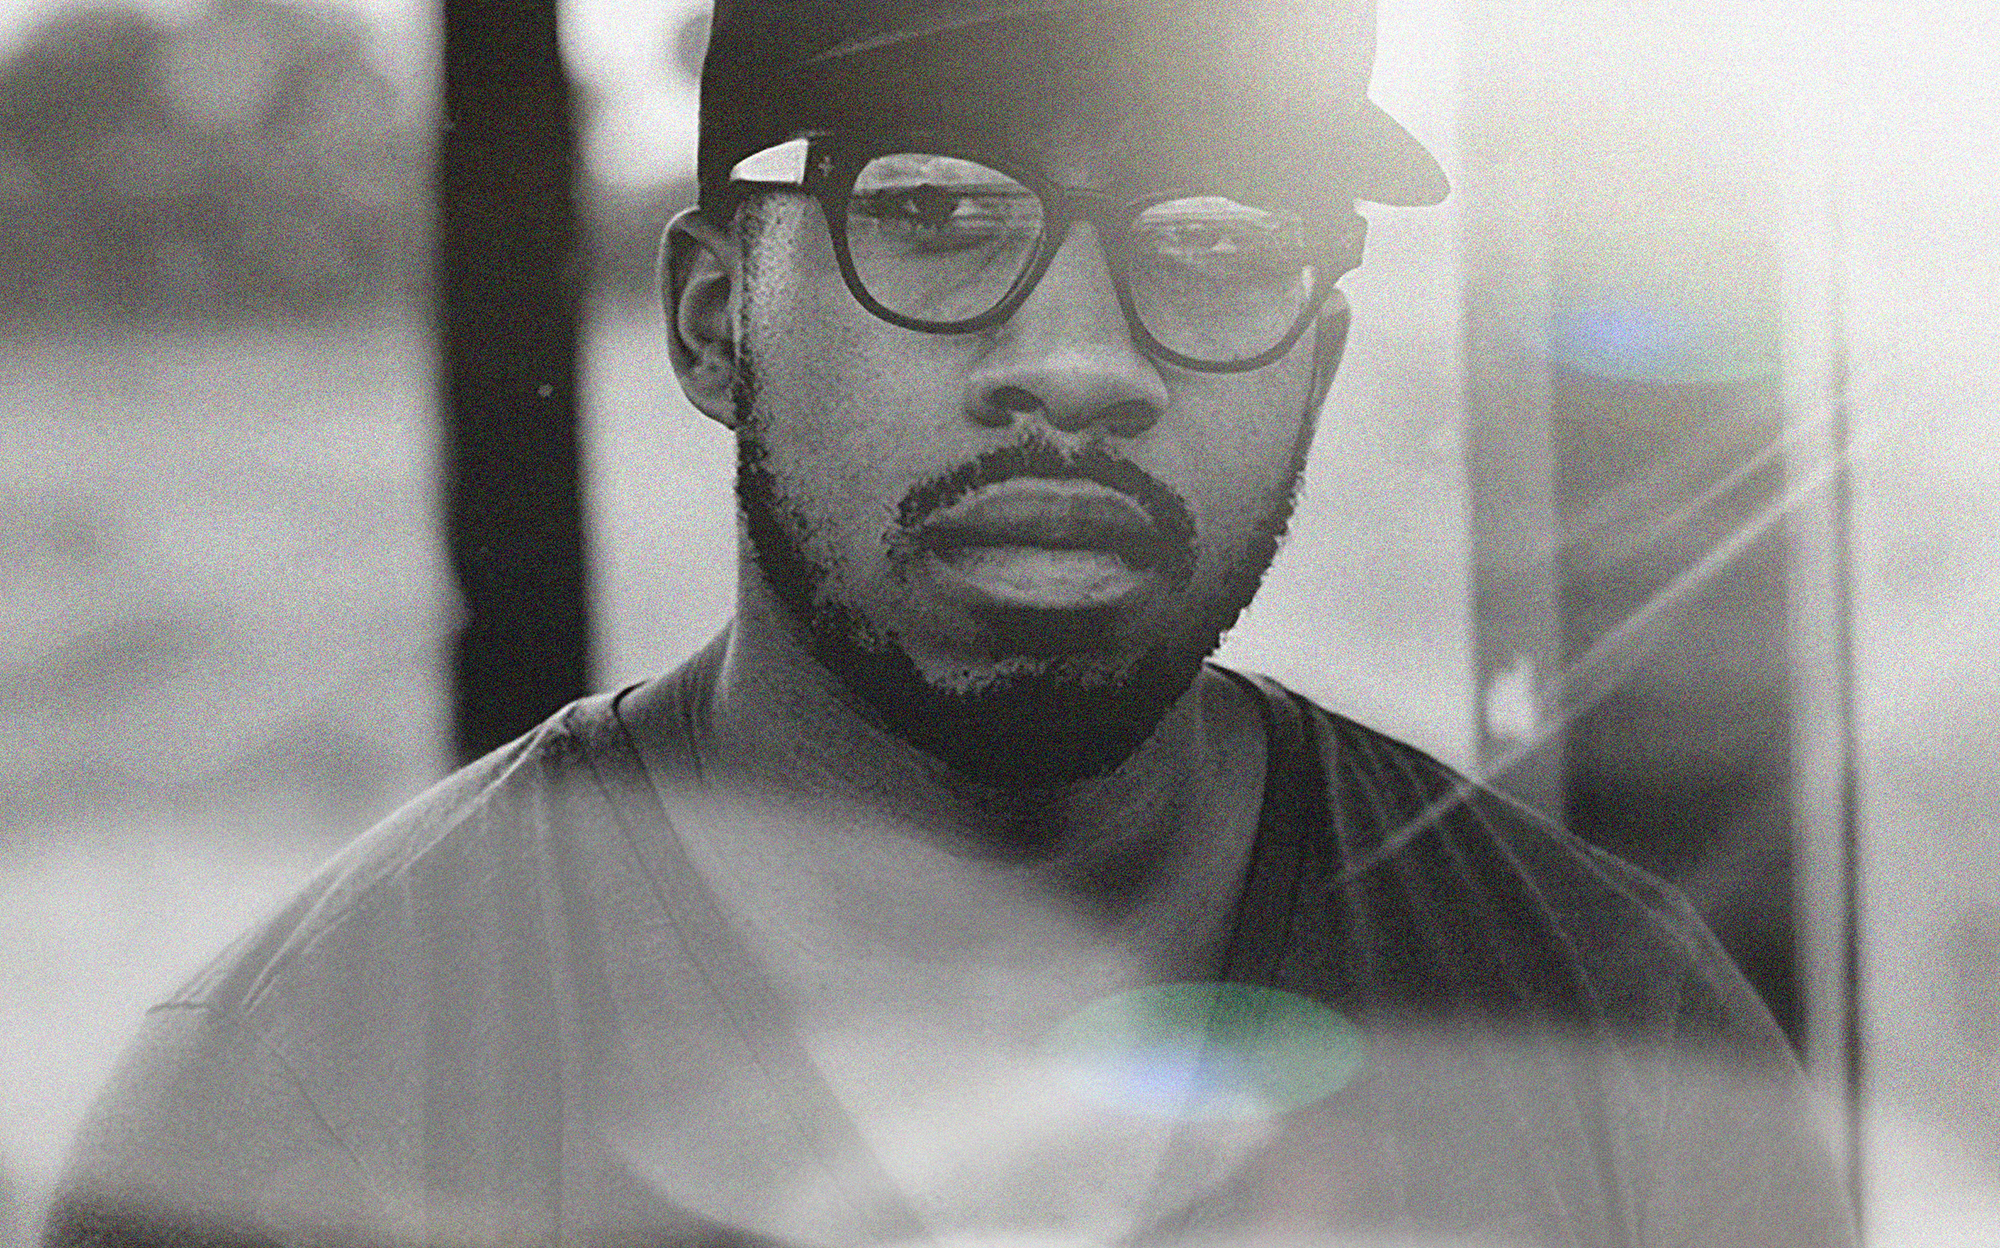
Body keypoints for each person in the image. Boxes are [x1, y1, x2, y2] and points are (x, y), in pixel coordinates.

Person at [50, 1, 1855, 1246]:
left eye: (1214, 245)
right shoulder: (301, 1116)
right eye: (933, 212)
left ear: (1314, 364)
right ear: (708, 321)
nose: (1078, 364)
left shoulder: (1620, 1050)